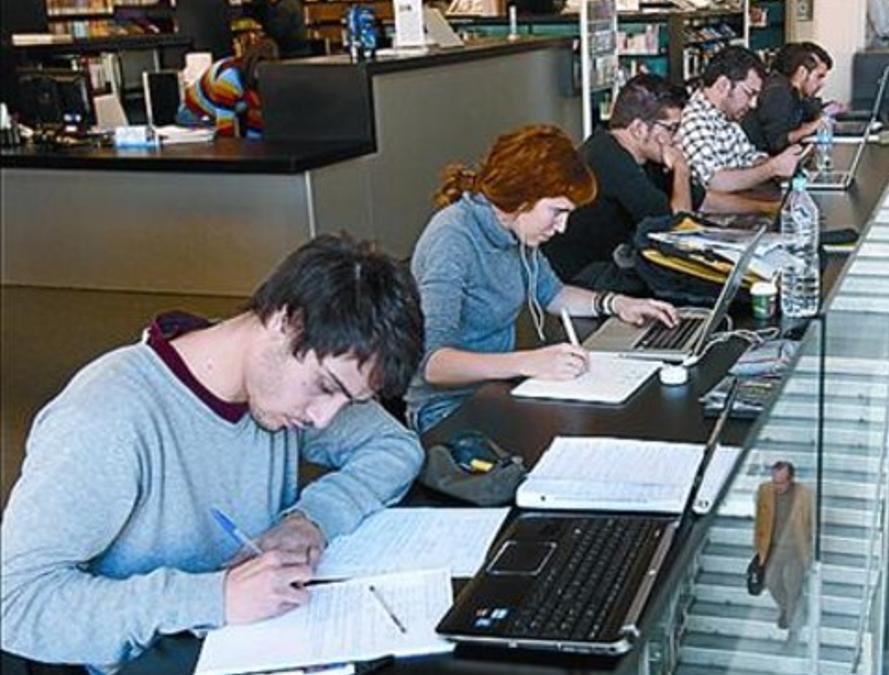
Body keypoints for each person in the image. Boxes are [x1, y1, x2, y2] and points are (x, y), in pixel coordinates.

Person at [0, 235, 427, 671]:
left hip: (251, 644)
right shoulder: (107, 416)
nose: (323, 418)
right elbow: (15, 602)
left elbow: (394, 446)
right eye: (326, 387)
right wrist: (215, 597)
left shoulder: (275, 388)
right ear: (287, 321)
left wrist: (310, 521)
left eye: (347, 402)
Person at [405, 124, 679, 433]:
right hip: (448, 409)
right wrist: (527, 363)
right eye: (557, 211)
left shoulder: (516, 231)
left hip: (495, 389)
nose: (561, 227)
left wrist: (616, 303)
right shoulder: (453, 238)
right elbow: (432, 364)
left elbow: (552, 294)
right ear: (524, 196)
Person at [542, 74, 696, 293]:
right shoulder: (609, 159)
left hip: (614, 263)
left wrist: (761, 207)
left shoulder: (641, 155)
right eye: (671, 129)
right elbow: (677, 232)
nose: (677, 138)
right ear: (639, 129)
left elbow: (702, 199)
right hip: (583, 279)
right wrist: (681, 169)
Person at [677, 46, 806, 193]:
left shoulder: (725, 117)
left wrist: (779, 163)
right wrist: (772, 168)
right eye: (749, 94)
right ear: (723, 85)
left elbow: (749, 157)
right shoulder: (695, 120)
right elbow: (714, 182)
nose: (753, 104)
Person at [742, 42, 835, 155]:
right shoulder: (778, 92)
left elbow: (809, 110)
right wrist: (811, 128)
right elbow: (777, 143)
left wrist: (825, 111)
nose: (821, 84)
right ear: (802, 72)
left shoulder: (793, 91)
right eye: (819, 77)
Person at [176, 36, 279, 138]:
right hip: (195, 114)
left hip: (219, 113)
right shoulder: (230, 78)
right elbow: (225, 128)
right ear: (253, 64)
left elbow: (256, 123)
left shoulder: (256, 81)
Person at [753, 461, 814, 630]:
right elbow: (760, 520)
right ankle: (788, 608)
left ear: (791, 479)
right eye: (774, 481)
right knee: (771, 581)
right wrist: (758, 549)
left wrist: (808, 552)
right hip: (773, 548)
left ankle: (790, 623)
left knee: (792, 584)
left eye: (781, 482)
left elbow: (811, 524)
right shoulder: (765, 491)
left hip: (795, 548)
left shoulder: (805, 495)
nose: (777, 486)